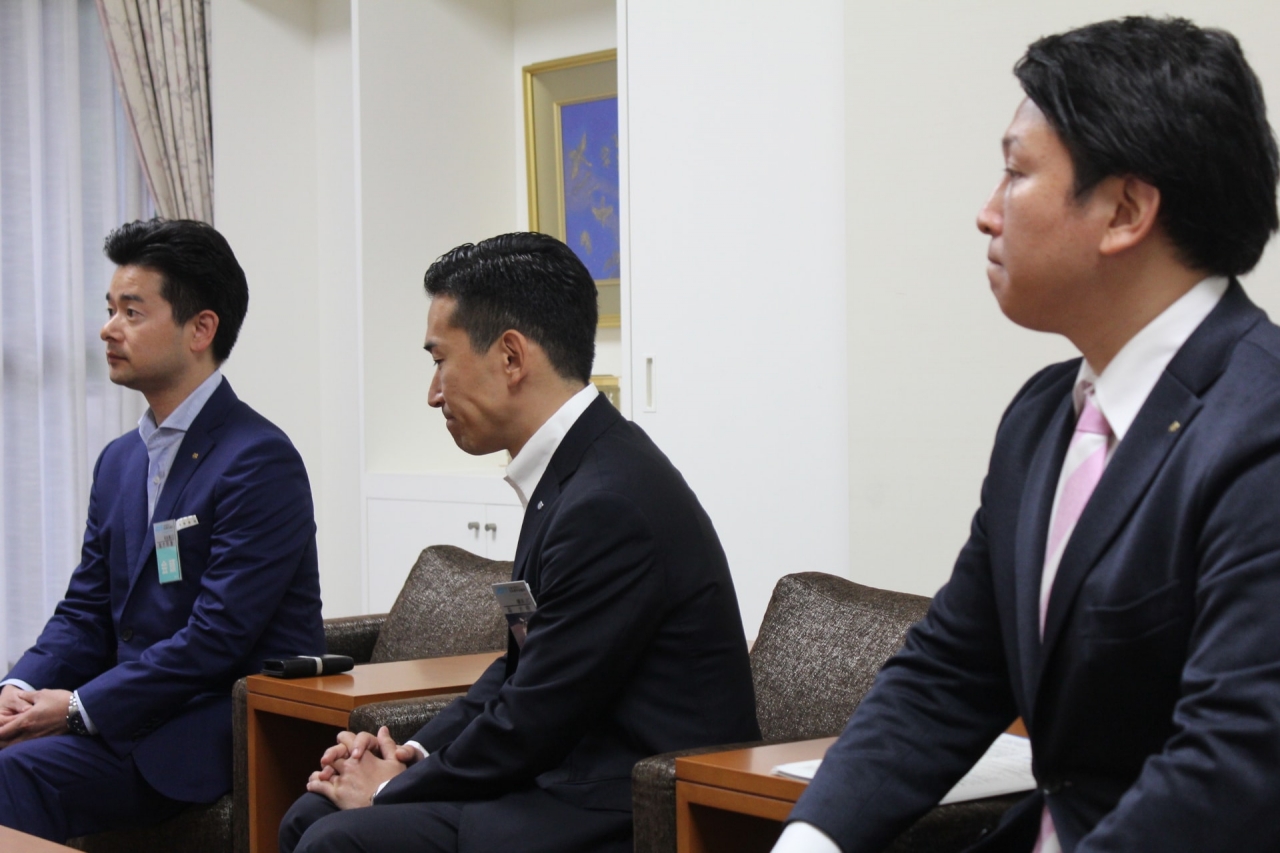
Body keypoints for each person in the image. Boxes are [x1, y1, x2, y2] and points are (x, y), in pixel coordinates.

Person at [777, 15, 1280, 853]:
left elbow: (1235, 765)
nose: (986, 213)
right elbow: (949, 673)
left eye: (1015, 172)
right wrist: (810, 842)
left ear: (1125, 210)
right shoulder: (1043, 416)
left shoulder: (1259, 426)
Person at [279, 232, 759, 853]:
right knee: (310, 814)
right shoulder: (575, 470)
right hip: (558, 774)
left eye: (439, 361)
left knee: (337, 839)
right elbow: (520, 669)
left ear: (510, 357)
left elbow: (533, 718)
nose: (433, 392)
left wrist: (391, 787)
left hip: (618, 805)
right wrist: (414, 751)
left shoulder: (608, 502)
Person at [0, 218, 325, 842]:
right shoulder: (120, 460)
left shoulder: (258, 459)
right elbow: (85, 611)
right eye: (109, 310)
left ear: (200, 329)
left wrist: (77, 708)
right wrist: (20, 686)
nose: (108, 329)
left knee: (12, 775)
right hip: (124, 715)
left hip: (201, 727)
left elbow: (217, 637)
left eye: (131, 312)